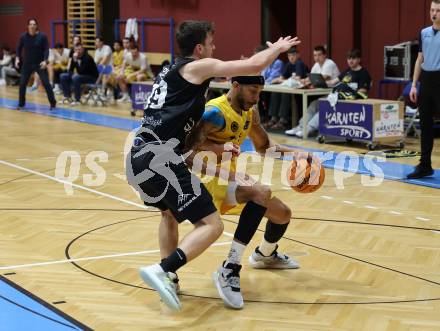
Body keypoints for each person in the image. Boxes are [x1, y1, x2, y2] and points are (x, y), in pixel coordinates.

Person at [125, 20, 300, 311]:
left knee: (168, 214)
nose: (214, 48)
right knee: (212, 225)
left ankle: (169, 277)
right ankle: (163, 270)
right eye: (211, 43)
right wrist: (278, 49)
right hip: (161, 157)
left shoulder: (171, 71)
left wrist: (218, 149)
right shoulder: (193, 68)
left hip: (140, 156)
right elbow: (252, 64)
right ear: (199, 48)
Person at [160, 75, 317, 309]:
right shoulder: (213, 113)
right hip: (202, 180)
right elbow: (186, 151)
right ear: (235, 86)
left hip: (229, 182)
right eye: (253, 91)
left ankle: (265, 254)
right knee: (168, 215)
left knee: (282, 213)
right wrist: (217, 149)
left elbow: (263, 147)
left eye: (260, 92)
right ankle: (177, 273)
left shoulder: (250, 112)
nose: (257, 97)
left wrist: (295, 153)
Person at [407, 0, 440, 179]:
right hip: (426, 80)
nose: (434, 13)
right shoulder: (424, 33)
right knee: (425, 124)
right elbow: (420, 59)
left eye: (438, 10)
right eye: (432, 10)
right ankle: (425, 165)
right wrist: (414, 84)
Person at [285, 45, 340, 137]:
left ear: (324, 55)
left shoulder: (330, 63)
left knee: (322, 107)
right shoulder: (316, 65)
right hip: (323, 94)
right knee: (312, 105)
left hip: (334, 96)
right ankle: (300, 127)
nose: (316, 57)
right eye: (315, 55)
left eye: (319, 55)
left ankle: (309, 128)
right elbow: (311, 77)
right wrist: (303, 80)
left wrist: (307, 80)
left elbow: (323, 78)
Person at [16, 18, 56, 109]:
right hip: (27, 64)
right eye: (30, 24)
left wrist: (45, 61)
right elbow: (18, 48)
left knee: (46, 83)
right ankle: (21, 104)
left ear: (37, 26)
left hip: (39, 64)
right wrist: (17, 58)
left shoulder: (42, 36)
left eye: (34, 24)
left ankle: (53, 103)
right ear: (28, 26)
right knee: (22, 84)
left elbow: (46, 49)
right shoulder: (23, 37)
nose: (32, 26)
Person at [266, 46, 309, 130]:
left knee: (285, 93)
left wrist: (283, 80)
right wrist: (282, 79)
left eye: (293, 55)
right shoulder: (288, 64)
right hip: (291, 88)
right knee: (276, 91)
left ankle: (283, 120)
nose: (291, 57)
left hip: (302, 91)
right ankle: (274, 118)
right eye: (289, 56)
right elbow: (281, 77)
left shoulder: (299, 63)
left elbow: (297, 78)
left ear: (298, 55)